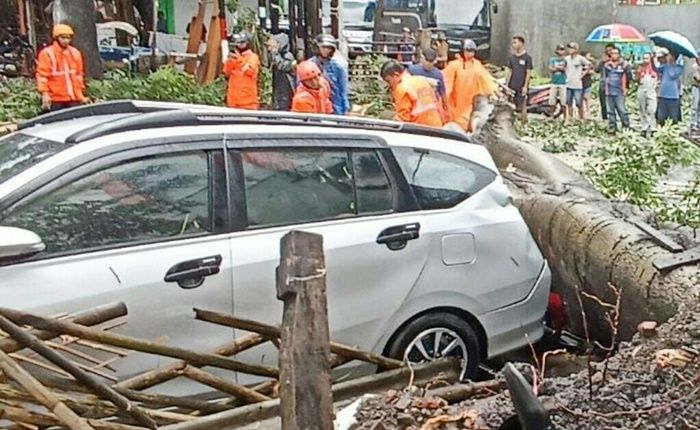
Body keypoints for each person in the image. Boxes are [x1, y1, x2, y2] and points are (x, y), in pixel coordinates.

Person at [443, 39, 497, 132]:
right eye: (468, 51)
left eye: (472, 51)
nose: (470, 54)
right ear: (462, 50)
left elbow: (485, 79)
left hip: (472, 102)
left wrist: (494, 93)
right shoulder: (454, 65)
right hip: (456, 104)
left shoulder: (476, 64)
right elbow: (446, 85)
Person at [36, 24, 88, 112]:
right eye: (63, 38)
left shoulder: (75, 53)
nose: (66, 41)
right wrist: (45, 94)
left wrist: (81, 96)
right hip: (55, 99)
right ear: (56, 38)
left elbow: (79, 75)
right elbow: (42, 76)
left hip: (73, 98)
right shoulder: (47, 53)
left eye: (68, 38)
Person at [381, 60, 443, 128]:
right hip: (436, 127)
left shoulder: (401, 88)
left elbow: (402, 119)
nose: (389, 85)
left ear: (396, 75)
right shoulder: (421, 80)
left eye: (388, 81)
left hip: (419, 131)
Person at [311, 34, 349, 115]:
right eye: (323, 47)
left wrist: (345, 108)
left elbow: (343, 89)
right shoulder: (310, 65)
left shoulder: (339, 66)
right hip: (314, 103)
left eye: (328, 48)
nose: (326, 50)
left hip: (334, 104)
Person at [408, 48, 449, 121]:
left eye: (431, 62)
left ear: (435, 62)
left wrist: (446, 108)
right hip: (415, 106)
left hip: (431, 109)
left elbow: (442, 93)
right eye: (427, 61)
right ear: (422, 58)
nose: (428, 64)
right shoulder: (412, 70)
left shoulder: (438, 75)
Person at [223, 32, 261, 110]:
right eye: (237, 42)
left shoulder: (253, 57)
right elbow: (226, 72)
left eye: (242, 42)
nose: (239, 45)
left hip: (247, 102)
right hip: (233, 101)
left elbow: (250, 71)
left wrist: (239, 60)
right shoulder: (235, 57)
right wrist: (230, 60)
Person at [603, 47, 632, 133]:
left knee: (622, 110)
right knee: (610, 111)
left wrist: (626, 87)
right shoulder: (607, 65)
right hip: (609, 91)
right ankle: (612, 127)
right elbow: (604, 76)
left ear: (619, 54)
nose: (614, 55)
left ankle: (626, 126)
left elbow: (629, 77)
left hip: (620, 91)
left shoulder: (625, 65)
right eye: (613, 53)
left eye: (616, 53)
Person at [506, 36, 533, 124]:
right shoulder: (512, 58)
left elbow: (528, 73)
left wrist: (525, 86)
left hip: (521, 86)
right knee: (510, 105)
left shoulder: (527, 58)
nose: (513, 45)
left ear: (521, 43)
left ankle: (523, 123)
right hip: (512, 85)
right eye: (513, 43)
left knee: (523, 105)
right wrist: (506, 85)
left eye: (515, 42)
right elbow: (510, 72)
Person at [267, 33, 296, 111]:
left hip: (286, 89)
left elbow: (282, 66)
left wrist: (275, 53)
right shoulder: (277, 56)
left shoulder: (288, 56)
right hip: (278, 88)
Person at [656, 48, 684, 126]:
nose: (667, 57)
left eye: (669, 55)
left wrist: (670, 64)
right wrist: (653, 58)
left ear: (673, 57)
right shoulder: (664, 66)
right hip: (663, 95)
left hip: (673, 96)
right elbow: (656, 69)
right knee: (661, 117)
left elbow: (672, 75)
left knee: (673, 118)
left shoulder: (679, 67)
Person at [564, 42, 589, 121]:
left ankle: (581, 116)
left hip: (577, 84)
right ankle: (570, 117)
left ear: (576, 49)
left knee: (578, 102)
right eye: (569, 48)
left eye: (572, 48)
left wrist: (583, 74)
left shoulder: (580, 58)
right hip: (568, 83)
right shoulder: (566, 59)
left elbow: (589, 65)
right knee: (568, 101)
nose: (570, 50)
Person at [636, 52, 659, 137]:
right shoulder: (640, 68)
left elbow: (659, 79)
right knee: (642, 109)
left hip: (651, 91)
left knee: (652, 109)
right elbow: (637, 81)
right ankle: (644, 128)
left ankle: (653, 127)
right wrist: (639, 75)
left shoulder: (655, 69)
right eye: (644, 58)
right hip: (642, 89)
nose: (645, 60)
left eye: (647, 58)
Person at [596, 43, 616, 121]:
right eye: (607, 50)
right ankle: (605, 118)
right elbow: (596, 70)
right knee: (603, 103)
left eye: (611, 50)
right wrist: (601, 61)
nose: (609, 52)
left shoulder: (617, 61)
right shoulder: (603, 61)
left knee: (613, 102)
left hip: (614, 84)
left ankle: (613, 118)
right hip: (603, 84)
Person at [548, 45, 568, 115]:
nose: (561, 51)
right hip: (554, 82)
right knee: (552, 101)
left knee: (564, 101)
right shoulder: (552, 59)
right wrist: (559, 68)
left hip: (563, 82)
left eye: (562, 49)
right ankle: (551, 116)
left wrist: (557, 68)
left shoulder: (566, 60)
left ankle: (566, 117)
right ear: (556, 51)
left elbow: (565, 69)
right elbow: (551, 69)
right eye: (559, 49)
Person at [581, 51, 595, 118]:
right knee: (580, 98)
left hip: (587, 82)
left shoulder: (590, 64)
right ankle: (582, 113)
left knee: (587, 97)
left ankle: (588, 112)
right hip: (579, 83)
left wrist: (587, 72)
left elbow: (592, 72)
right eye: (588, 55)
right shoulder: (579, 63)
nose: (590, 57)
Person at [690, 52, 700, 135]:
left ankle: (699, 122)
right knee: (695, 106)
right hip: (696, 87)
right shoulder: (695, 66)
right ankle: (693, 123)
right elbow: (698, 78)